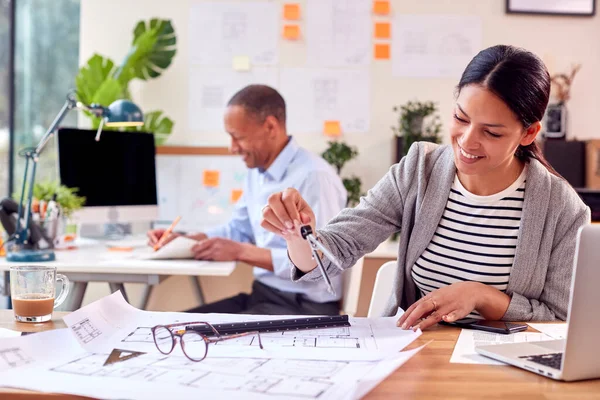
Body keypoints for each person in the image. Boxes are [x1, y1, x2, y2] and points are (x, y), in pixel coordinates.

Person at [261, 45, 590, 330]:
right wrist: (298, 234)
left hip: (504, 372)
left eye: (491, 132)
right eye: (461, 118)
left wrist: (482, 296)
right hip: (416, 355)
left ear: (529, 133)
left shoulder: (561, 209)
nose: (467, 141)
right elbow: (331, 257)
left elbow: (562, 320)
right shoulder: (419, 169)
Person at [148, 84, 347, 315]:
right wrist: (185, 240)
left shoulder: (314, 176)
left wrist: (241, 252)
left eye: (238, 137)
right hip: (263, 296)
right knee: (173, 325)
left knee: (193, 337)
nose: (232, 148)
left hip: (303, 308)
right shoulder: (257, 172)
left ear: (270, 126)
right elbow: (238, 230)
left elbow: (322, 262)